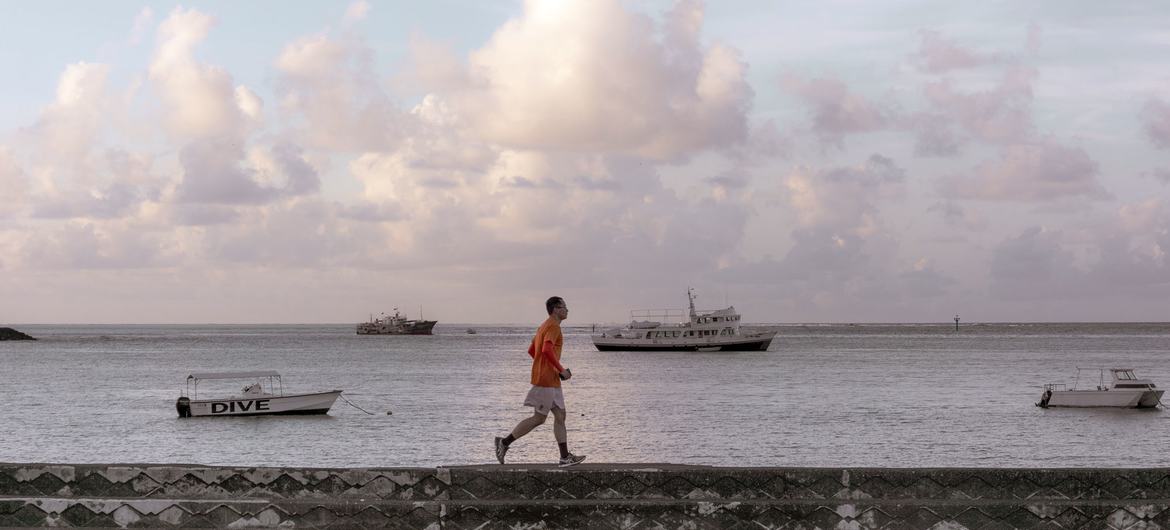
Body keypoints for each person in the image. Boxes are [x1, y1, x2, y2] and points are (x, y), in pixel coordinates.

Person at [494, 296, 586, 467]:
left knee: (559, 415)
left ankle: (564, 457)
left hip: (550, 379)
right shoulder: (553, 326)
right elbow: (546, 349)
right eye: (565, 307)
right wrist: (560, 370)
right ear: (556, 309)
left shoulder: (543, 326)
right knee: (539, 418)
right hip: (546, 381)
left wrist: (545, 367)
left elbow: (532, 351)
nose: (567, 310)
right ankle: (504, 443)